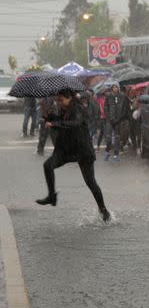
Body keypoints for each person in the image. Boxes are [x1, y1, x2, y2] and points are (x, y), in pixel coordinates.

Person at [36, 88, 111, 222]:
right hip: (66, 149)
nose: (59, 102)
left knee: (90, 182)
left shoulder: (78, 108)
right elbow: (59, 119)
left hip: (82, 149)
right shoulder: (64, 108)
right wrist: (47, 116)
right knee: (47, 165)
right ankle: (51, 196)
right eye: (58, 100)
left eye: (61, 99)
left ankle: (103, 210)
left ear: (69, 97)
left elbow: (74, 123)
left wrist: (55, 123)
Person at [103, 83, 130, 162]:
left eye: (117, 87)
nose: (115, 89)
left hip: (118, 120)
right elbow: (105, 108)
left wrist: (120, 118)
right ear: (112, 88)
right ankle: (107, 151)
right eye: (114, 87)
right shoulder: (108, 96)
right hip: (109, 120)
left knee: (117, 137)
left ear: (118, 88)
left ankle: (116, 154)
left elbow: (125, 108)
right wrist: (109, 117)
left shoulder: (122, 96)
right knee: (108, 137)